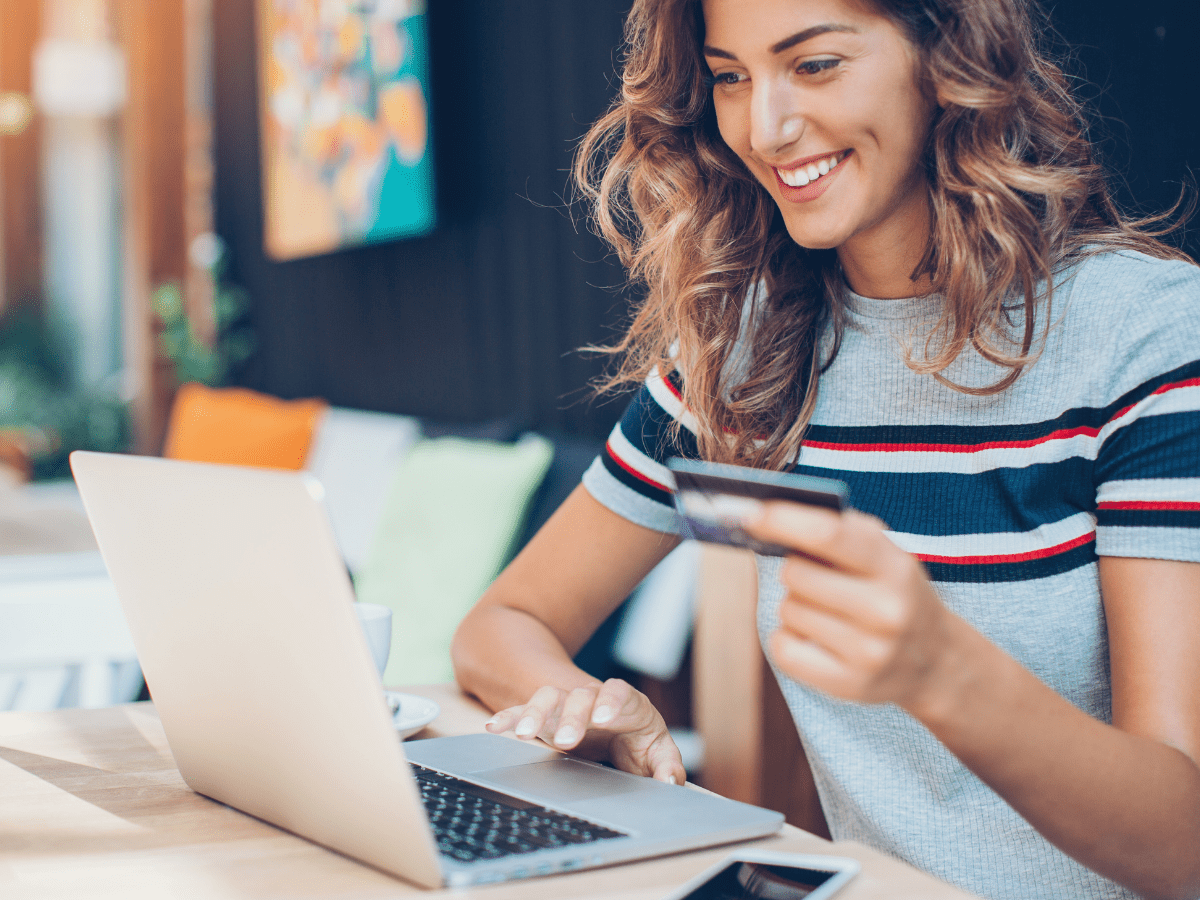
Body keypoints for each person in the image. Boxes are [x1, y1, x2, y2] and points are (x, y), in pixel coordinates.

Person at [450, 0, 1200, 897]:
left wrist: (944, 673)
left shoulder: (1145, 336)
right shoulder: (742, 357)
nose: (764, 129)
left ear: (946, 55)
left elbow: (1184, 848)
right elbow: (503, 626)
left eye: (814, 66)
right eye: (731, 77)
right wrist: (585, 713)